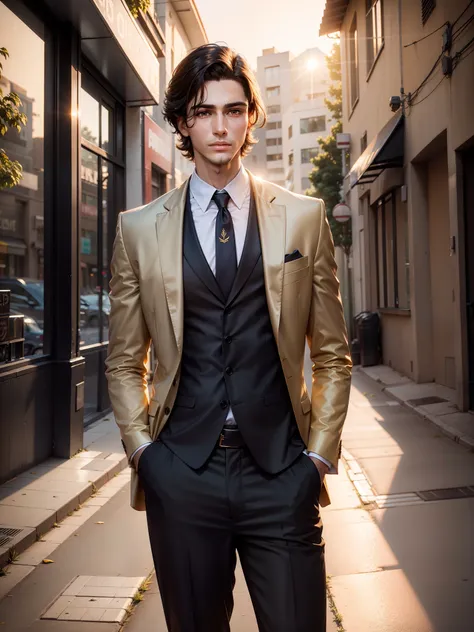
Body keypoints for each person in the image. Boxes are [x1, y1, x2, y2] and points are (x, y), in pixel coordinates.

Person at [105, 43, 352, 632]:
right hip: (182, 477)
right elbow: (122, 362)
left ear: (249, 119)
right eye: (204, 110)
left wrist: (316, 458)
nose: (221, 125)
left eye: (234, 110)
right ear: (183, 122)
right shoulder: (138, 230)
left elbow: (333, 354)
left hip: (281, 473)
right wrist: (145, 455)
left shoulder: (303, 217)